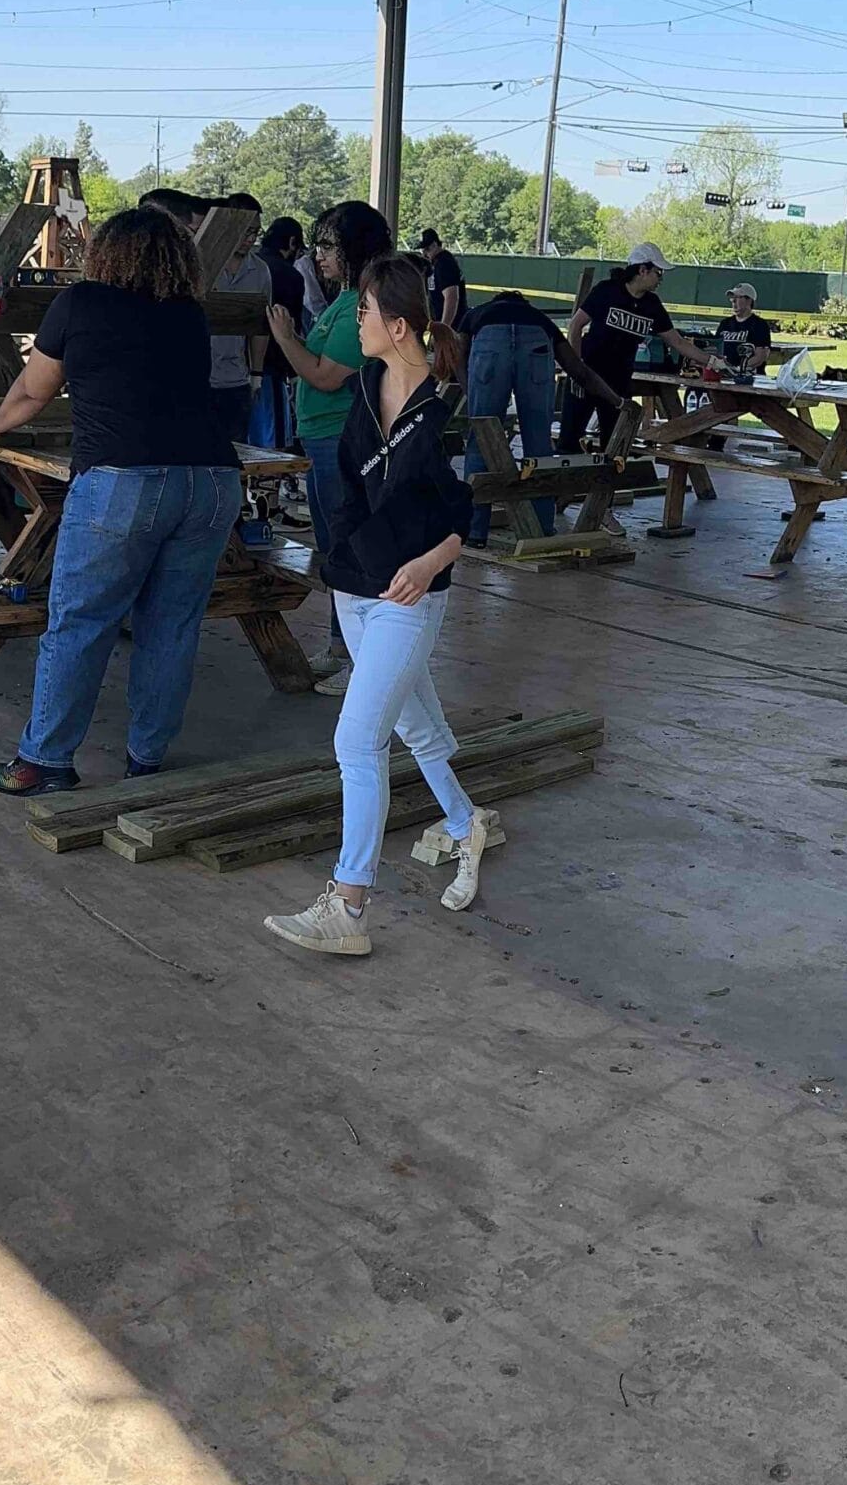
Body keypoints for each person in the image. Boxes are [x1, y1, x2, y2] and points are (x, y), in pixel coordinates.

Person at [0, 205, 241, 793]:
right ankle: (146, 759)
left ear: (104, 255)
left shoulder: (80, 303)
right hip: (212, 481)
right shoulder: (189, 313)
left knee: (80, 622)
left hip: (123, 482)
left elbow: (32, 391)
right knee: (172, 625)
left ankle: (44, 761)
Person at [264, 257, 490, 960]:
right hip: (356, 586)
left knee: (357, 743)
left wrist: (425, 566)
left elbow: (464, 513)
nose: (352, 323)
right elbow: (351, 493)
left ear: (396, 325)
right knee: (417, 726)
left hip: (408, 596)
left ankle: (348, 904)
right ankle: (465, 819)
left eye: (362, 313)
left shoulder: (444, 407)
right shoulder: (364, 387)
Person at [266, 200, 398, 693]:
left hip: (341, 439)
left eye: (327, 245)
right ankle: (343, 646)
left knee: (347, 545)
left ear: (353, 248)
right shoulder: (345, 301)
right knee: (333, 545)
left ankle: (360, 658)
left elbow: (324, 376)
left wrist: (285, 338)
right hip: (322, 437)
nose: (317, 255)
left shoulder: (363, 305)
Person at [454, 287, 623, 546]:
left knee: (482, 440)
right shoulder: (539, 318)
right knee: (539, 446)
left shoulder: (477, 314)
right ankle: (542, 529)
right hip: (537, 343)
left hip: (490, 341)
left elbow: (456, 356)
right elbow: (579, 370)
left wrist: (470, 392)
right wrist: (618, 401)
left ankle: (474, 532)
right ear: (525, 303)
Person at [562, 243, 720, 453]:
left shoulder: (651, 305)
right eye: (658, 272)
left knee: (613, 443)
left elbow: (678, 342)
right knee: (570, 439)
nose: (660, 279)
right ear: (642, 270)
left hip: (618, 380)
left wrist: (712, 362)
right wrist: (576, 368)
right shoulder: (607, 291)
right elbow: (576, 325)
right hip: (589, 373)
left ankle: (608, 483)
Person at [155, 189, 270, 445]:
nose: (250, 239)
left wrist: (256, 375)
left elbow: (259, 326)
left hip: (235, 381)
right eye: (245, 230)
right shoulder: (194, 265)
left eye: (255, 232)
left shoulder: (260, 271)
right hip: (194, 379)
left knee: (234, 456)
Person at [252, 215, 305, 448]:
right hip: (272, 365)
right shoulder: (289, 275)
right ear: (292, 242)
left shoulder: (250, 265)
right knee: (272, 445)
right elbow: (291, 328)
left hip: (236, 368)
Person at [715, 283, 776, 375]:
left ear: (749, 301)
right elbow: (715, 349)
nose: (733, 301)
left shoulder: (759, 325)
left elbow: (761, 356)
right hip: (724, 374)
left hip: (749, 377)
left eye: (738, 297)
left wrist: (738, 369)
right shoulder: (725, 324)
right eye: (732, 298)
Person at [416, 228, 467, 329]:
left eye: (427, 249)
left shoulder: (445, 263)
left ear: (435, 245)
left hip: (453, 325)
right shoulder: (435, 263)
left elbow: (451, 297)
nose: (424, 254)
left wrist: (444, 327)